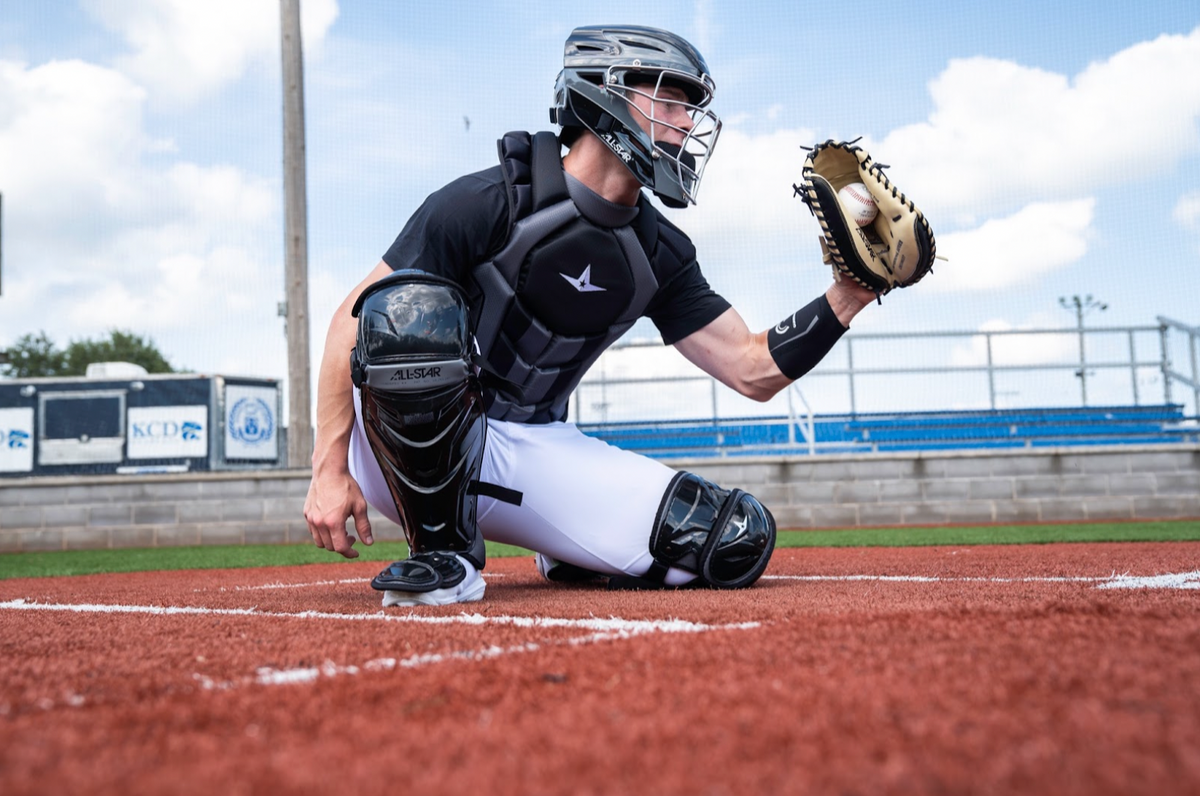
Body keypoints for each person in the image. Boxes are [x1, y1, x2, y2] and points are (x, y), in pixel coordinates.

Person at [303, 24, 877, 606]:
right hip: (397, 451)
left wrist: (848, 296)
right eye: (669, 98)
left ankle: (567, 550)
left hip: (530, 444)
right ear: (604, 91)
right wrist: (328, 469)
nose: (686, 122)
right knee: (404, 308)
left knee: (731, 540)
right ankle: (442, 555)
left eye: (691, 107)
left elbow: (753, 370)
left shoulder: (662, 254)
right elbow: (348, 324)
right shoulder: (484, 202)